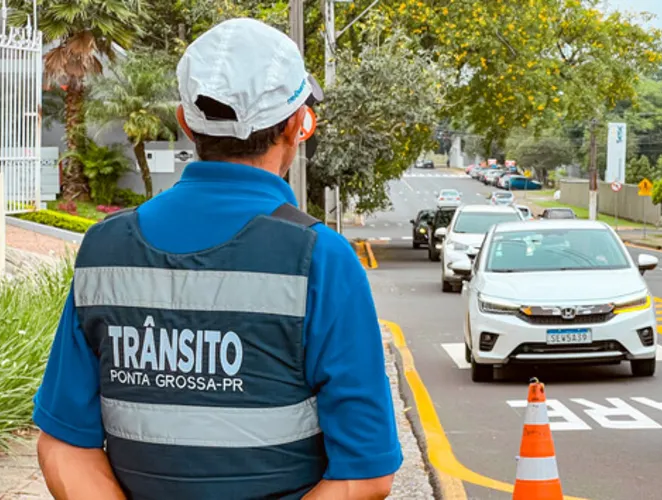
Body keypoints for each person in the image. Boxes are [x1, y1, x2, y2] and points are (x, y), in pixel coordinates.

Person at [32, 18, 401, 500]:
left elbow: (63, 444)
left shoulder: (105, 250)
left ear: (185, 122)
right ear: (295, 126)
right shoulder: (321, 261)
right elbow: (364, 474)